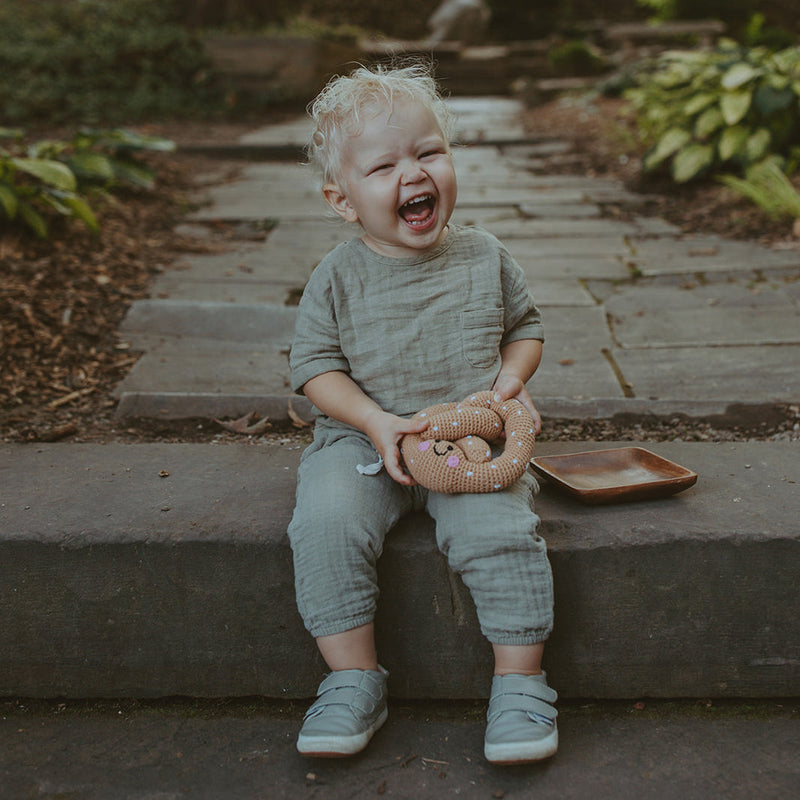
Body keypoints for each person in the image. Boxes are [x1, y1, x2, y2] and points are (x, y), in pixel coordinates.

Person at [287, 61, 557, 765]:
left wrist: (508, 381)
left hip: (470, 443)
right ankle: (351, 677)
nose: (414, 173)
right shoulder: (337, 278)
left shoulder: (485, 256)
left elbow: (525, 327)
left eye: (429, 152)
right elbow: (316, 369)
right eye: (384, 166)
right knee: (325, 522)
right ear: (342, 199)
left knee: (500, 528)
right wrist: (377, 421)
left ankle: (522, 685)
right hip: (363, 441)